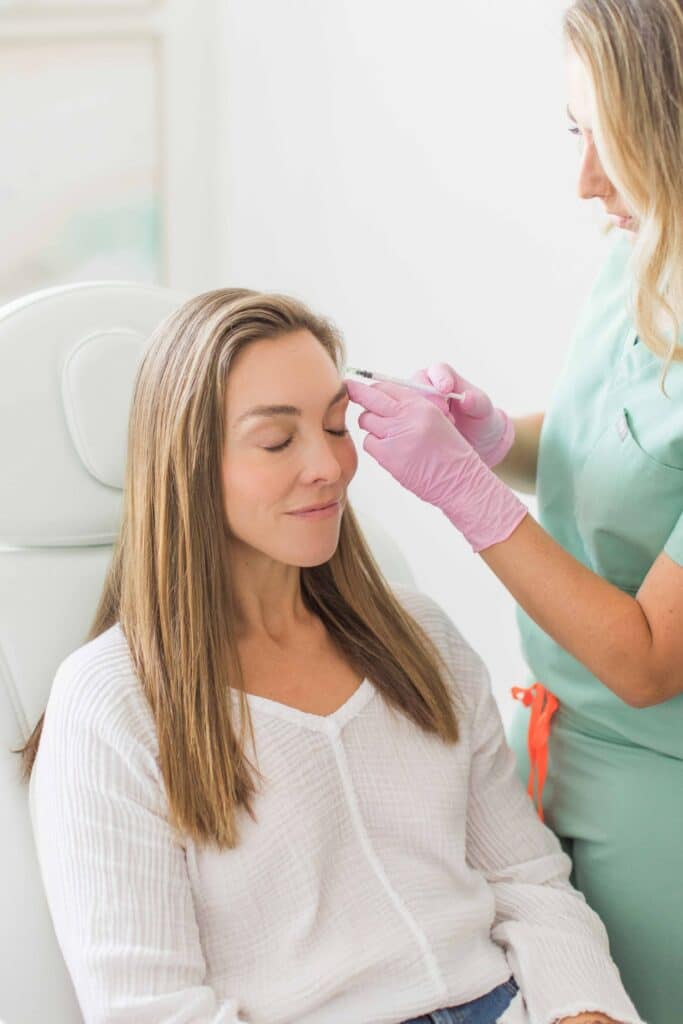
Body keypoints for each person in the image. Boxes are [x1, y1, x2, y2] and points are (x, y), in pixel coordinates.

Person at [24, 290, 639, 1024]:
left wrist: (582, 1012)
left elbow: (526, 877)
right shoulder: (113, 702)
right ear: (186, 463)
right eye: (277, 442)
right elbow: (148, 1008)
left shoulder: (417, 636)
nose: (328, 466)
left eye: (335, 426)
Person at [345, 2, 683, 1023]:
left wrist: (464, 489)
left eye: (605, 139)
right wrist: (497, 439)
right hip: (549, 742)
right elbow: (614, 439)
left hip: (653, 786)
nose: (582, 178)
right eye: (572, 130)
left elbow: (642, 659)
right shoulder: (643, 255)